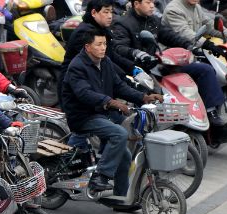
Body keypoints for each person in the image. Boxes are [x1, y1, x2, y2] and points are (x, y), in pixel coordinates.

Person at [61, 30, 162, 197]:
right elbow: (84, 93)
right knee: (119, 134)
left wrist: (144, 97)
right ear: (87, 47)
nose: (103, 48)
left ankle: (120, 197)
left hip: (100, 113)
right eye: (99, 44)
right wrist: (110, 102)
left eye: (105, 44)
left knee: (125, 156)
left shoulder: (105, 62)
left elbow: (119, 85)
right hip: (83, 116)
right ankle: (100, 176)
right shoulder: (77, 67)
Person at [112, 0, 227, 125]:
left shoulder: (154, 20)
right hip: (138, 70)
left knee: (204, 69)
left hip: (158, 65)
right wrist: (137, 53)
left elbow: (170, 36)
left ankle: (210, 112)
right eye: (147, 2)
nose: (152, 6)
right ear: (136, 4)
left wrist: (190, 46)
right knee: (156, 94)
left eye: (153, 3)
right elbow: (119, 47)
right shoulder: (123, 23)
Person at [61, 0, 136, 76]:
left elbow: (111, 55)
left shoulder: (101, 28)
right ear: (93, 13)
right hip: (76, 80)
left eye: (111, 12)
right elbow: (101, 62)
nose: (110, 16)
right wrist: (124, 77)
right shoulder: (84, 33)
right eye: (106, 12)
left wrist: (132, 68)